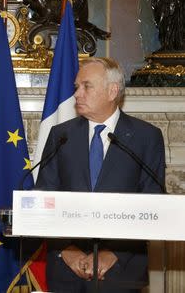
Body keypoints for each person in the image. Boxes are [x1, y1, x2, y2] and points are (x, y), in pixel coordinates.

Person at [35, 57, 166, 292]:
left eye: (86, 86)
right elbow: (44, 198)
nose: (77, 94)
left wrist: (113, 253)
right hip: (65, 271)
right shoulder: (60, 135)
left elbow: (151, 203)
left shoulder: (146, 137)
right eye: (77, 87)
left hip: (120, 272)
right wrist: (68, 250)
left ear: (112, 91)